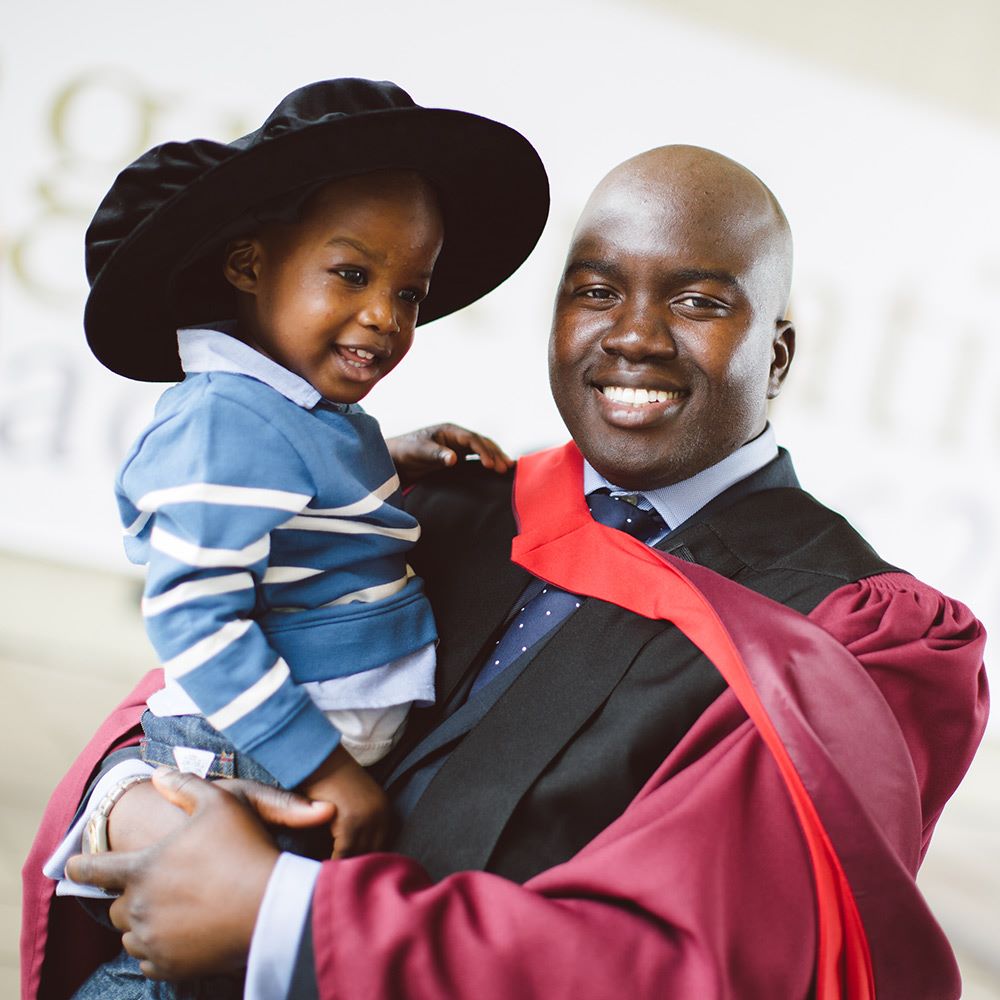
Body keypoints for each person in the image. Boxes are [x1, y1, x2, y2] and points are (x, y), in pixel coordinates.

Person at [23, 145, 988, 1000]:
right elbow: (182, 700)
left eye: (698, 301)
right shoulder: (447, 506)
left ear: (776, 353)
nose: (635, 337)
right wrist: (138, 813)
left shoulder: (853, 639)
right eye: (596, 290)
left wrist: (282, 918)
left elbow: (708, 965)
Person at [30, 77, 548, 999]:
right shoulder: (224, 419)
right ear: (247, 266)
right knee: (185, 966)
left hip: (295, 755)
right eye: (352, 274)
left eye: (411, 294)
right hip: (261, 762)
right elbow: (199, 621)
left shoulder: (295, 408)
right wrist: (327, 768)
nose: (387, 316)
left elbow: (291, 498)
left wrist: (398, 452)